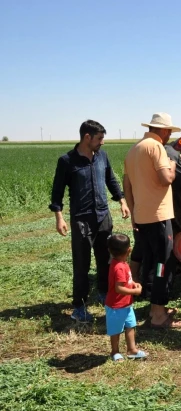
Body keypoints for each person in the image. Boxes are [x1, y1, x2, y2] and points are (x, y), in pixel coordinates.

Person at [50, 120, 130, 323]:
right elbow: (57, 192)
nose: (102, 142)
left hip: (103, 216)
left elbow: (110, 179)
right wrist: (59, 217)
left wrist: (121, 200)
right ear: (87, 137)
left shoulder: (102, 156)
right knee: (81, 263)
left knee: (106, 259)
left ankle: (103, 292)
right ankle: (79, 305)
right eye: (99, 138)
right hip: (81, 219)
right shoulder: (67, 161)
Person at [123, 112, 181, 328]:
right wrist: (172, 166)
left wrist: (133, 212)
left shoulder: (133, 150)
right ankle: (158, 315)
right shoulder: (157, 148)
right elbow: (166, 179)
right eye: (169, 132)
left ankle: (154, 308)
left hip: (142, 217)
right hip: (159, 217)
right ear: (165, 131)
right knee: (163, 264)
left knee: (152, 262)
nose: (168, 136)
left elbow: (127, 186)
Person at [106, 233, 147, 362]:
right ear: (129, 250)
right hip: (116, 306)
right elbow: (118, 288)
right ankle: (115, 352)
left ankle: (132, 350)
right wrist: (134, 291)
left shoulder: (122, 263)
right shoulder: (119, 268)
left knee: (130, 325)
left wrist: (133, 283)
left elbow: (125, 281)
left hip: (126, 305)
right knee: (116, 330)